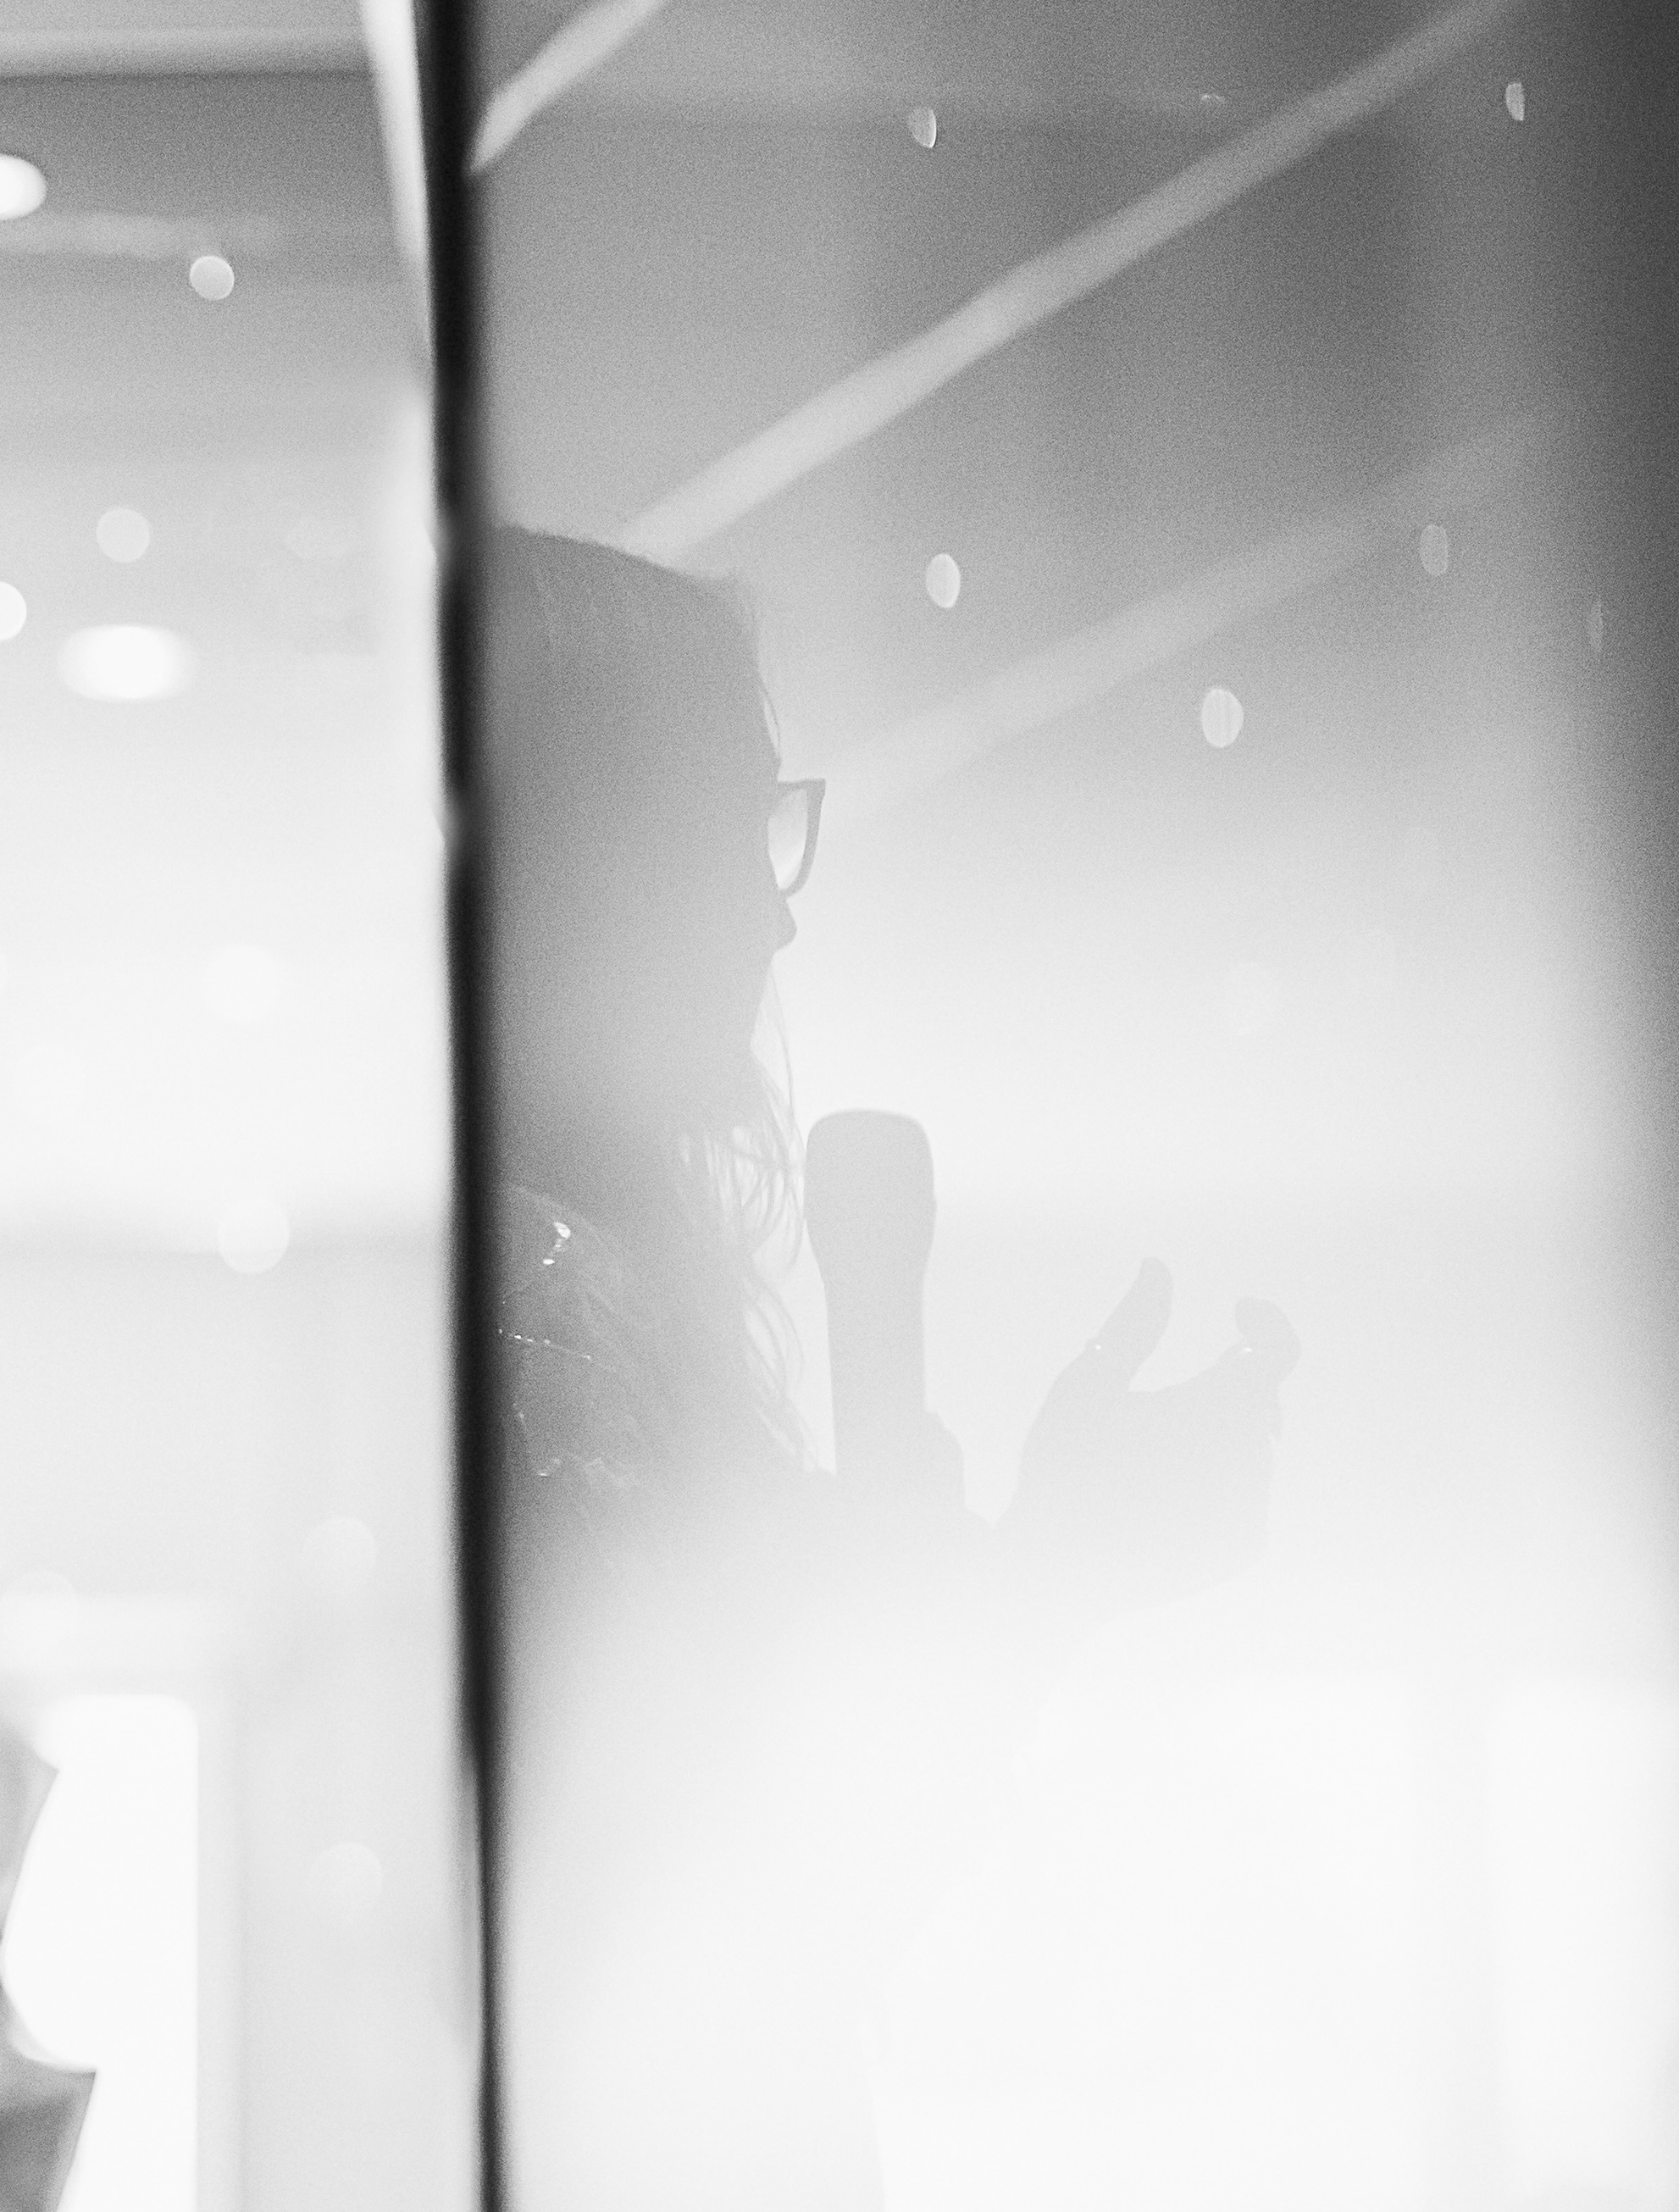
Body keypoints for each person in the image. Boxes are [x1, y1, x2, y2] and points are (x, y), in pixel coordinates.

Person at [479, 527, 1300, 2207]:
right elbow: (737, 1944)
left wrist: (1033, 1569)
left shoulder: (583, 1291)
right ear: (583, 852)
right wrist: (1042, 1577)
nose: (771, 916)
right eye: (728, 828)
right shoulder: (545, 1310)